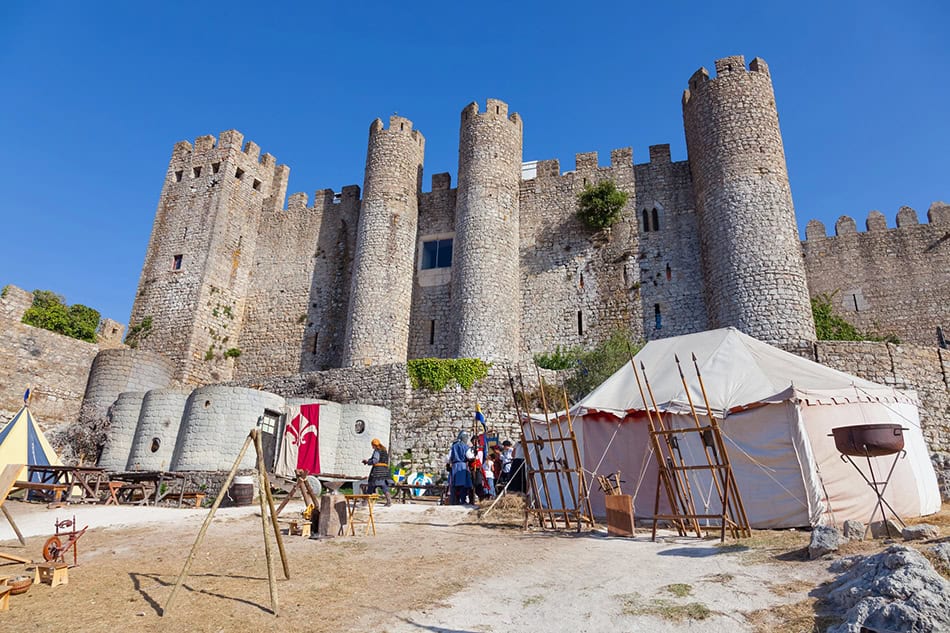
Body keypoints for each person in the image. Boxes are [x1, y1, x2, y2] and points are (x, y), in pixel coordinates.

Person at [362, 438, 392, 506]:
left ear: (374, 445)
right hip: (385, 471)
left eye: (372, 445)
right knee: (384, 486)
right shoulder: (384, 451)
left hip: (377, 471)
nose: (372, 447)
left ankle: (365, 502)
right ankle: (389, 501)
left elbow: (375, 460)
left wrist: (367, 462)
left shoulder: (377, 451)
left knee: (371, 486)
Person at [446, 430, 474, 505]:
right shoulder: (465, 447)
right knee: (463, 484)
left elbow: (448, 458)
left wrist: (449, 464)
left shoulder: (453, 446)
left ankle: (455, 500)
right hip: (462, 467)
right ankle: (462, 500)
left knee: (454, 484)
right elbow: (470, 456)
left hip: (455, 467)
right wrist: (474, 454)